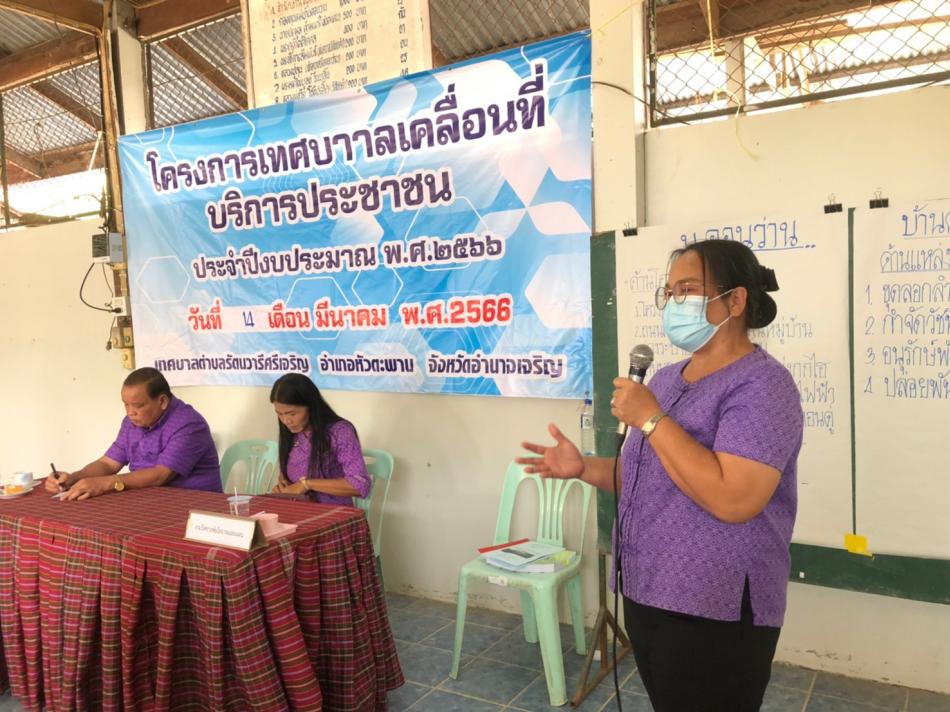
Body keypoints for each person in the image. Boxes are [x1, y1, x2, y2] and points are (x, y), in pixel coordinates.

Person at [519, 240, 804, 712]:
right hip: (648, 588)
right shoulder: (668, 379)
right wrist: (583, 468)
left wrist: (652, 419)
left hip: (715, 605)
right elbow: (650, 475)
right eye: (669, 292)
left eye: (687, 289)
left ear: (735, 301)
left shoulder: (763, 386)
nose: (674, 302)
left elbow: (735, 498)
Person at [45, 367, 222, 500]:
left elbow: (160, 475)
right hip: (148, 502)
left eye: (138, 406)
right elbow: (108, 463)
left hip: (193, 507)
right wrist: (74, 478)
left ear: (162, 401)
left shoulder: (188, 424)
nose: (130, 412)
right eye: (126, 404)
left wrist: (105, 483)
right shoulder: (131, 423)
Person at [269, 373, 371, 504]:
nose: (286, 421)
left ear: (311, 407)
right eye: (280, 414)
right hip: (299, 510)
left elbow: (360, 485)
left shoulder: (339, 431)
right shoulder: (292, 433)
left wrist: (307, 484)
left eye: (292, 414)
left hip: (333, 512)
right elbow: (287, 477)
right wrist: (283, 488)